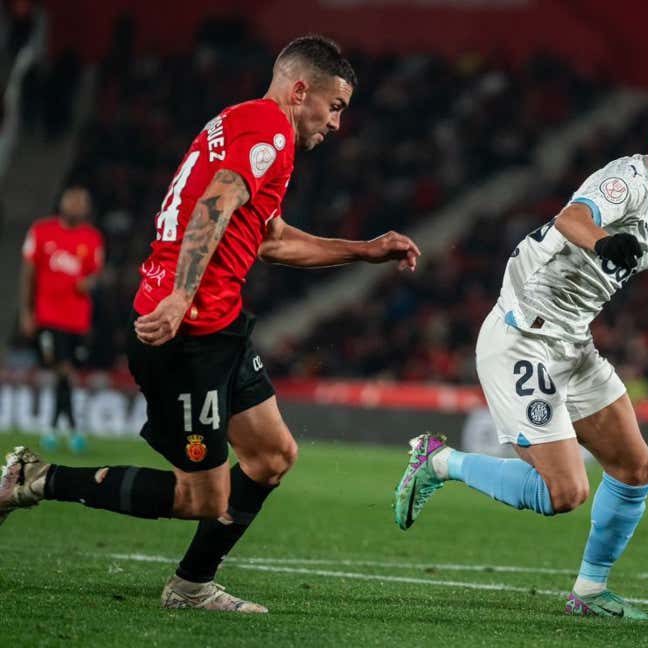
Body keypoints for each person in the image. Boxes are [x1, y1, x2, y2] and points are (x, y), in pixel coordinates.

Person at [1, 35, 421, 613]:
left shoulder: (246, 126)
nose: (337, 123)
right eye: (336, 106)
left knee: (272, 455)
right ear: (301, 91)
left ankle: (191, 585)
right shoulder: (269, 129)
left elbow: (269, 239)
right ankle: (37, 476)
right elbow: (215, 205)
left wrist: (362, 250)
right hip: (186, 333)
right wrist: (179, 297)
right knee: (203, 497)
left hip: (217, 324)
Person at [392, 92, 648, 620]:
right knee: (565, 492)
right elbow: (572, 217)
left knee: (637, 468)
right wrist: (603, 243)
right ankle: (439, 461)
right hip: (521, 336)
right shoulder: (628, 179)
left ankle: (590, 592)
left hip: (572, 344)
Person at [19, 185, 103, 454]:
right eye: (73, 200)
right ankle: (71, 430)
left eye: (82, 202)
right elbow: (28, 274)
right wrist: (27, 311)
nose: (77, 205)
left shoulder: (91, 238)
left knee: (65, 374)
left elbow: (97, 273)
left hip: (77, 320)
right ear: (62, 203)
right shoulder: (41, 231)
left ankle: (56, 429)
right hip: (48, 316)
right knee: (62, 370)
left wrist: (90, 282)